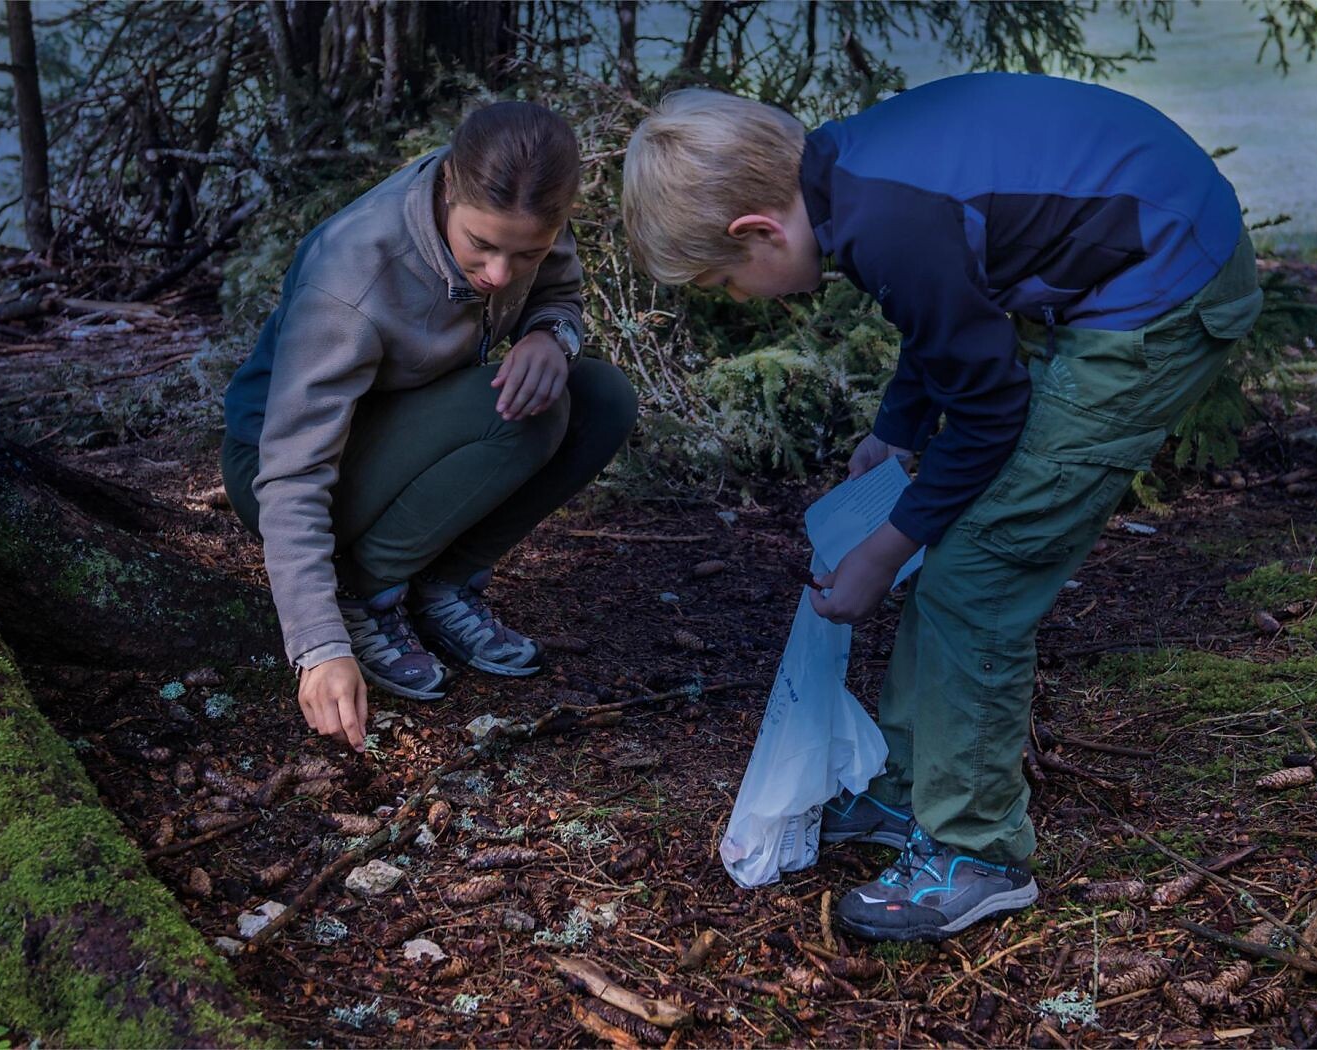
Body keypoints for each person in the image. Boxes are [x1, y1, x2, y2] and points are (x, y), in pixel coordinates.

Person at [622, 75, 1261, 942]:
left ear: (758, 232)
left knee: (979, 575)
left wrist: (886, 549)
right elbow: (948, 321)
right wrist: (896, 432)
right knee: (962, 545)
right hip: (1120, 252)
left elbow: (992, 406)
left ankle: (978, 852)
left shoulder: (885, 218)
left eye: (726, 282)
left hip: (1163, 281)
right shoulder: (849, 175)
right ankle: (907, 786)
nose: (740, 298)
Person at [223, 101, 637, 753]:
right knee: (519, 417)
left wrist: (549, 337)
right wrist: (319, 642)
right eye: (481, 246)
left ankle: (442, 583)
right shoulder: (353, 278)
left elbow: (561, 297)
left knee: (600, 397)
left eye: (525, 252)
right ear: (449, 188)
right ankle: (364, 594)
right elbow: (293, 472)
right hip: (279, 466)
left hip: (405, 420)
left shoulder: (528, 211)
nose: (499, 274)